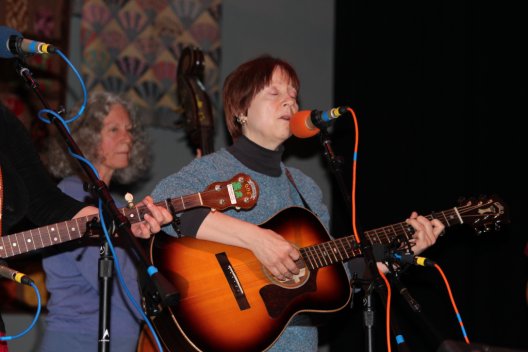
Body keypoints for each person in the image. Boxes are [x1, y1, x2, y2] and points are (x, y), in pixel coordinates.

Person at [150, 55, 445, 351]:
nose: (290, 102)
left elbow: (338, 275)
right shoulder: (214, 170)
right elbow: (162, 207)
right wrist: (257, 240)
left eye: (293, 95)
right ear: (241, 110)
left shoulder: (305, 187)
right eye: (275, 93)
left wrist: (395, 254)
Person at [0, 102, 171, 352]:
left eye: (129, 129)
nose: (127, 137)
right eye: (114, 129)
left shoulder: (3, 121)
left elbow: (44, 202)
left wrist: (119, 225)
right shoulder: (73, 188)